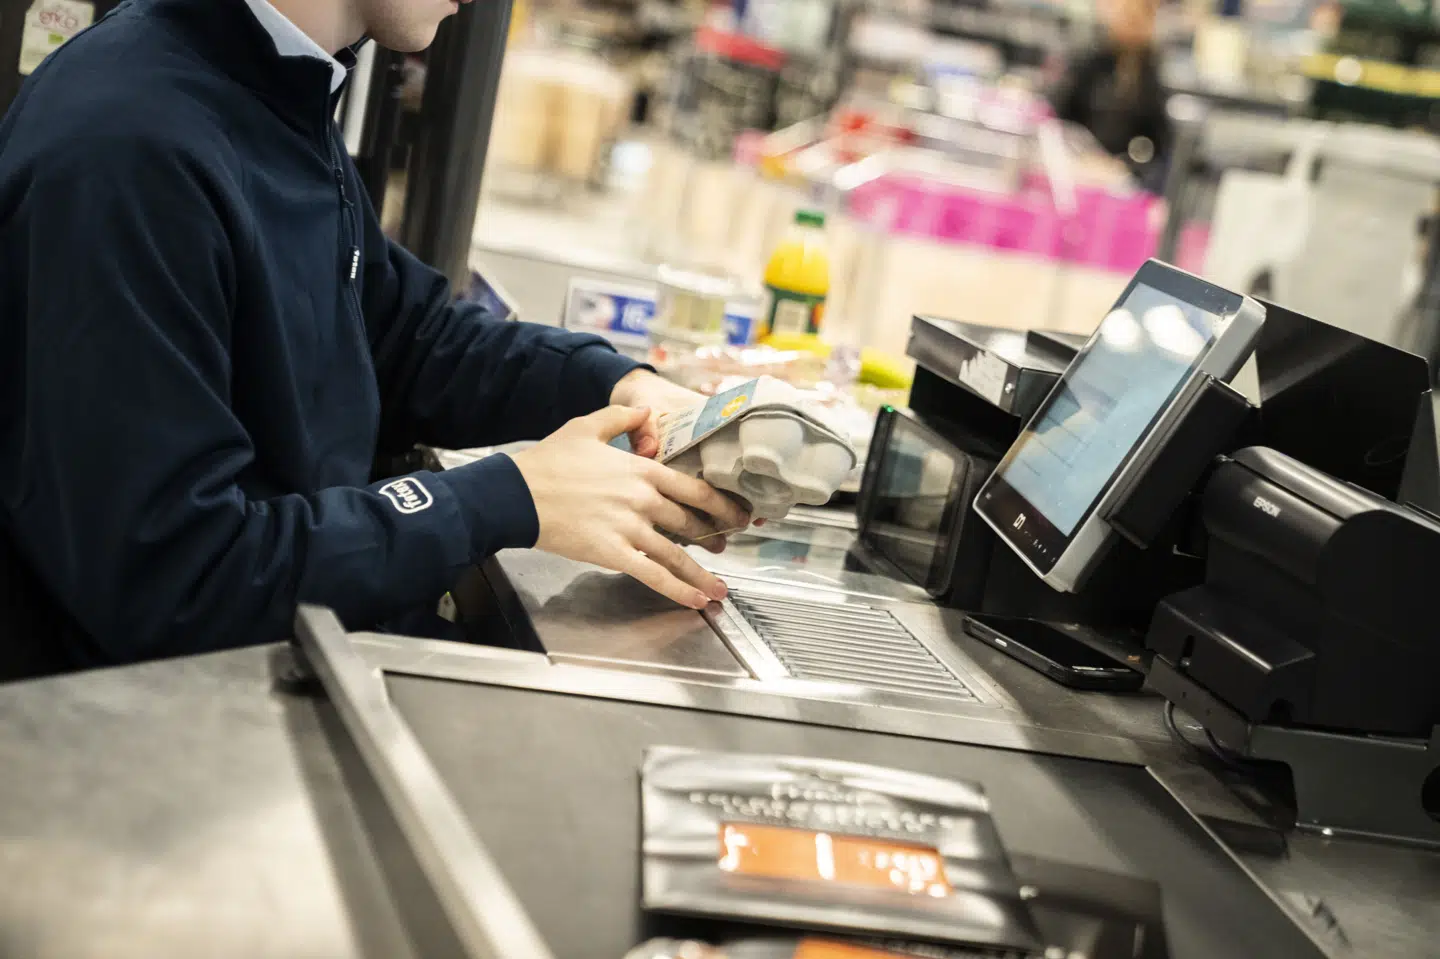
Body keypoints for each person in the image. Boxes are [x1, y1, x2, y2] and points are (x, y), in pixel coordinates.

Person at [0, 0, 751, 678]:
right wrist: (507, 496)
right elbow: (173, 576)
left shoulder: (276, 87)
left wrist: (621, 388)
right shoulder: (127, 150)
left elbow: (404, 337)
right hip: (155, 742)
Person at [1052, 0, 1170, 192]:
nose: (1132, 23)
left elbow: (1158, 141)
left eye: (1139, 17)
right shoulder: (1089, 63)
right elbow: (1061, 116)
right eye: (1126, 15)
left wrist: (1128, 166)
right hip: (1077, 167)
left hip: (1124, 178)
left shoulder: (1152, 76)